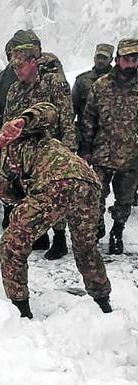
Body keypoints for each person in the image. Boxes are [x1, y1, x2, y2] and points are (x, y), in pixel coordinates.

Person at [0, 102, 112, 319]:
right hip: (86, 183)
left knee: (11, 245)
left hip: (58, 181)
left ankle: (21, 313)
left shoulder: (14, 135)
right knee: (85, 248)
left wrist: (22, 120)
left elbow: (50, 111)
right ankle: (104, 304)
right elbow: (16, 195)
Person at [3, 43, 75, 260]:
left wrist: (70, 150)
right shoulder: (15, 90)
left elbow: (66, 116)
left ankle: (60, 238)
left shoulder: (52, 83)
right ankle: (40, 235)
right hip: (26, 155)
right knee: (32, 194)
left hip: (53, 152)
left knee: (55, 194)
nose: (18, 71)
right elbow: (8, 121)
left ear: (34, 62)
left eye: (21, 66)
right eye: (14, 68)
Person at [82, 38, 138, 254]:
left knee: (124, 200)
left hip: (131, 156)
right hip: (102, 154)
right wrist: (86, 148)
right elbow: (89, 118)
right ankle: (98, 227)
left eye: (135, 59)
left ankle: (117, 230)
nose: (131, 64)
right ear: (117, 59)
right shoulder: (101, 85)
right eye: (127, 59)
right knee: (95, 196)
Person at [72, 43, 114, 157]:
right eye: (98, 57)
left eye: (104, 58)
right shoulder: (82, 80)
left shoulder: (117, 81)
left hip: (110, 142)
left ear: (111, 59)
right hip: (85, 140)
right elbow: (71, 110)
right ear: (94, 58)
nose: (100, 60)